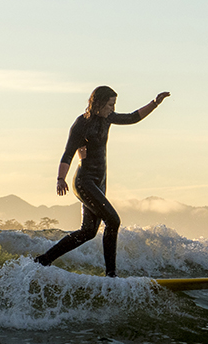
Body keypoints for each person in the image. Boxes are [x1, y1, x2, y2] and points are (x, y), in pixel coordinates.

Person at [34, 86, 170, 277]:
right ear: (97, 103)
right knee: (113, 221)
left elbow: (132, 117)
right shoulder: (81, 124)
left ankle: (43, 260)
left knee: (88, 232)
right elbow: (68, 153)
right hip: (84, 181)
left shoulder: (108, 118)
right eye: (110, 104)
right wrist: (60, 179)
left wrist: (155, 103)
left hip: (99, 182)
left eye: (114, 104)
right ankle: (111, 275)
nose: (112, 108)